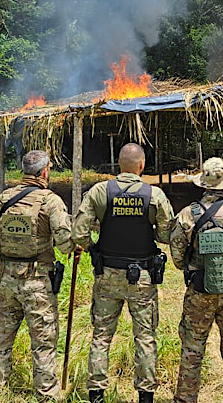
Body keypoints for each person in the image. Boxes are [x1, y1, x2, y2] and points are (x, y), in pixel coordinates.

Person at [73, 143, 175, 403]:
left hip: (107, 273)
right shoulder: (154, 195)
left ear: (119, 164)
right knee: (145, 337)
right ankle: (145, 395)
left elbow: (79, 232)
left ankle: (96, 393)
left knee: (101, 335)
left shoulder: (99, 191)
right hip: (142, 277)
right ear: (141, 165)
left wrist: (93, 248)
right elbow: (166, 235)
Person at [0, 150, 73, 401]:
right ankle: (46, 395)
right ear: (44, 172)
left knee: (1, 339)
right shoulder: (50, 202)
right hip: (38, 283)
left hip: (5, 281)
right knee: (43, 342)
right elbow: (65, 244)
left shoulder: (2, 199)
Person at [170, 157, 223, 403]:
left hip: (198, 291)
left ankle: (186, 399)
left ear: (204, 184)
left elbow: (177, 257)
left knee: (192, 351)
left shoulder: (188, 214)